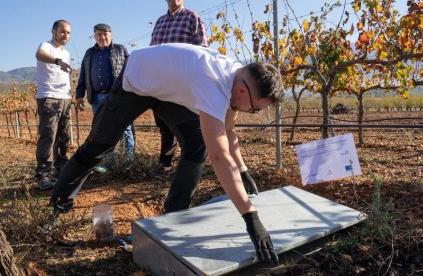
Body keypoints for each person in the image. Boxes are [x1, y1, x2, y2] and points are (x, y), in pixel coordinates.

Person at [50, 43, 284, 263]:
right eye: (254, 110)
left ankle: (175, 214)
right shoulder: (213, 84)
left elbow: (229, 131)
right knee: (99, 145)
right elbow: (220, 156)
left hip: (167, 91)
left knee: (196, 144)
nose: (251, 112)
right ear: (243, 90)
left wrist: (242, 170)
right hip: (137, 81)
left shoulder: (236, 77)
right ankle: (59, 202)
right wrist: (251, 218)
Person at [149, 0, 208, 176]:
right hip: (162, 84)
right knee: (165, 126)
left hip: (184, 84)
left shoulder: (192, 17)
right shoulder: (159, 22)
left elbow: (202, 50)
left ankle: (189, 166)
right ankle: (165, 164)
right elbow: (152, 52)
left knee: (187, 126)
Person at [75, 23, 134, 172]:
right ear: (94, 36)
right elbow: (83, 75)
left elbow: (131, 71)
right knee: (101, 131)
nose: (102, 37)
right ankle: (109, 162)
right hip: (96, 98)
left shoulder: (120, 50)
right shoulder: (89, 54)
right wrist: (79, 95)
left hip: (117, 96)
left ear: (111, 34)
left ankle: (128, 161)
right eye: (99, 34)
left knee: (124, 127)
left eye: (105, 34)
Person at [34, 20, 72, 190]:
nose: (66, 35)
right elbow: (39, 55)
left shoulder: (67, 53)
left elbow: (66, 76)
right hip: (49, 97)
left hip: (64, 98)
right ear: (54, 31)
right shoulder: (46, 46)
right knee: (48, 136)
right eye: (63, 32)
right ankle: (43, 175)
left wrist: (71, 94)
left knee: (64, 137)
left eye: (68, 33)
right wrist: (57, 61)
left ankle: (61, 170)